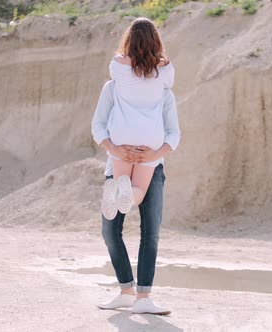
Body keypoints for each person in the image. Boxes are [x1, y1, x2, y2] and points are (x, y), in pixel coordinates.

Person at [90, 17, 180, 315]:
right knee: (111, 231)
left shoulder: (121, 78)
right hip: (145, 158)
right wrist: (146, 152)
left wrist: (127, 150)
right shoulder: (119, 88)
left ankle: (143, 297)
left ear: (128, 42)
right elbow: (98, 125)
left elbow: (174, 132)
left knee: (149, 233)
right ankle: (127, 291)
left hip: (140, 161)